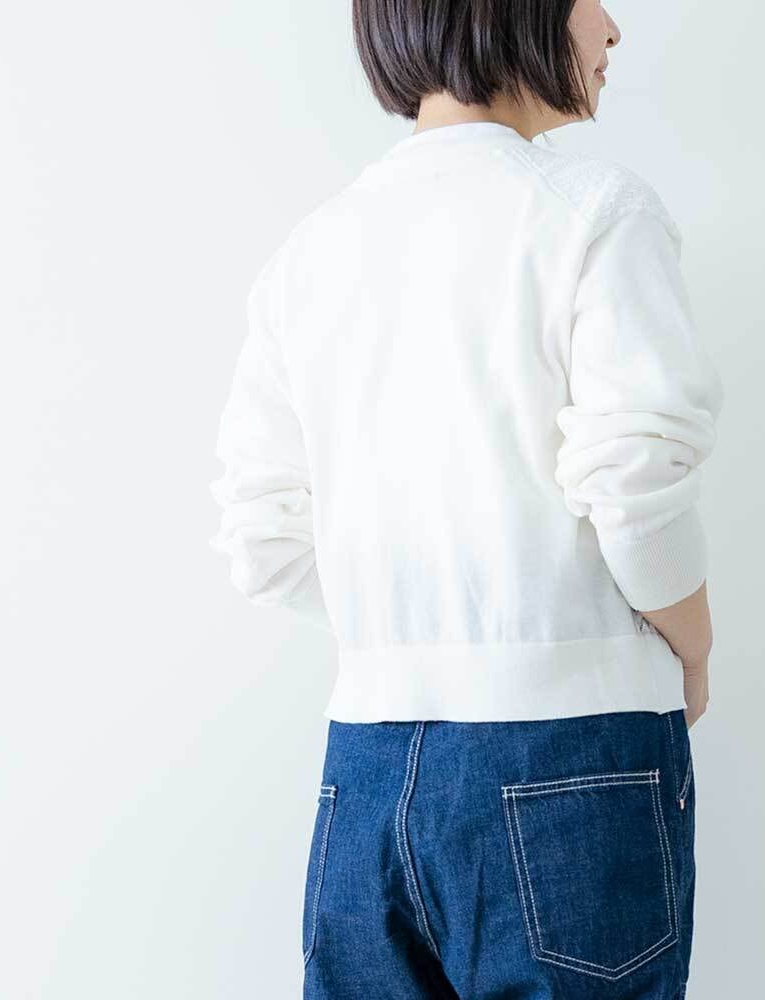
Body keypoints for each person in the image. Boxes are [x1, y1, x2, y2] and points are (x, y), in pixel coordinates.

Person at [209, 1, 725, 996]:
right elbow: (635, 477)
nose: (612, 29)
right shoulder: (592, 211)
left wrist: (417, 624)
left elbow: (263, 537)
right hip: (571, 754)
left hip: (364, 771)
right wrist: (691, 647)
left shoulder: (310, 252)